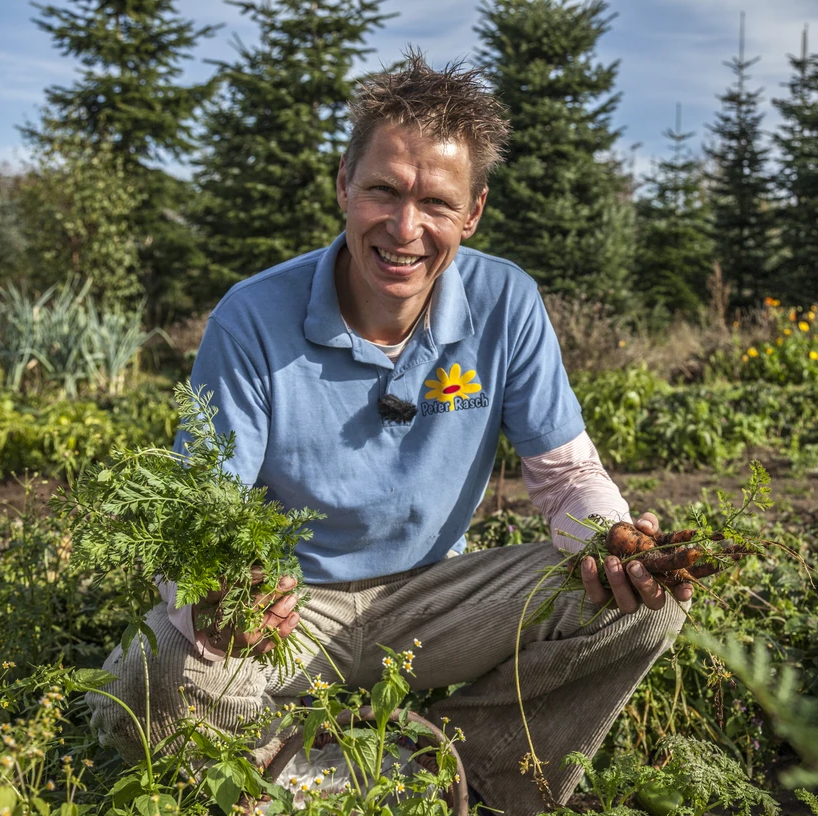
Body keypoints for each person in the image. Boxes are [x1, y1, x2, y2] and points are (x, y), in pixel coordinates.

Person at [88, 53, 691, 815]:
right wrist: (217, 589)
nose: (405, 229)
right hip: (287, 607)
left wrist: (610, 545)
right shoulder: (252, 317)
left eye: (436, 203)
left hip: (438, 599)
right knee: (149, 680)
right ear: (344, 185)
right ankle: (331, 767)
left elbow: (566, 476)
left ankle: (458, 767)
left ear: (472, 213)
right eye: (382, 191)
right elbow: (198, 505)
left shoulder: (506, 302)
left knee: (647, 602)